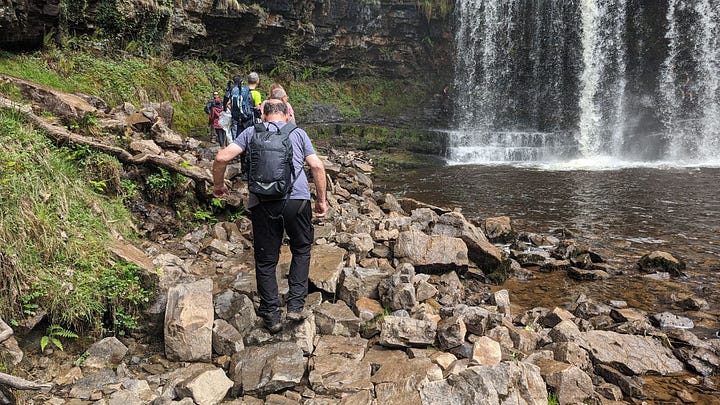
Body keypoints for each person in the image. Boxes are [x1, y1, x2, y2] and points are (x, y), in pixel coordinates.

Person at [212, 99, 328, 333]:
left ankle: (272, 316)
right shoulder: (298, 133)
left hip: (263, 203)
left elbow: (221, 158)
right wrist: (321, 201)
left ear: (263, 115)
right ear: (287, 115)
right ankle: (295, 305)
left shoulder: (250, 132)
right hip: (296, 202)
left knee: (266, 261)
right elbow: (316, 166)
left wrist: (218, 186)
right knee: (301, 250)